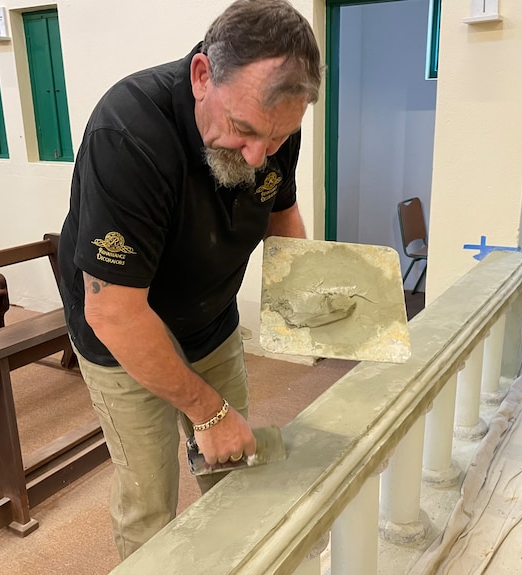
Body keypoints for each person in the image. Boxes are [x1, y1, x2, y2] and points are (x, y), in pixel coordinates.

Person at [56, 0, 322, 560]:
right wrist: (210, 412)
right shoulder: (127, 132)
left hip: (209, 316)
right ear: (202, 75)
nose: (257, 155)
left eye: (274, 141)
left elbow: (281, 215)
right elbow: (114, 312)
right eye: (243, 130)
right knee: (150, 499)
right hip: (123, 331)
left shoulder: (274, 124)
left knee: (235, 470)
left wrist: (306, 300)